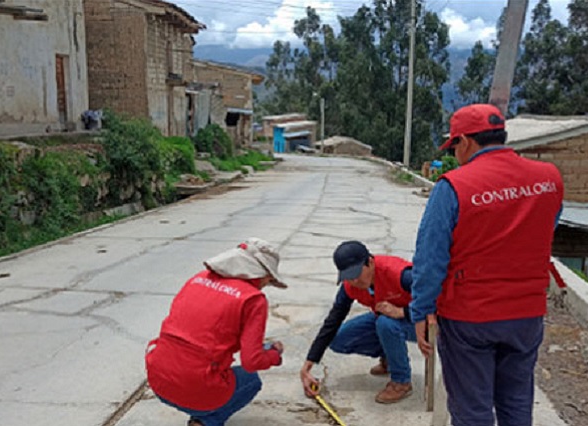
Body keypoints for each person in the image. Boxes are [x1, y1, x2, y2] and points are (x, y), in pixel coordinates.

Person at [410, 103, 564, 426]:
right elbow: (545, 230)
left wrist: (421, 310)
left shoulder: (453, 187)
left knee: (472, 411)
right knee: (517, 403)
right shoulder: (549, 179)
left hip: (470, 317)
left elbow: (430, 259)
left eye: (454, 147)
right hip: (527, 315)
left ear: (465, 142)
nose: (454, 155)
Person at [145, 238, 287, 426]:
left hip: (158, 381)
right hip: (196, 385)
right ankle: (205, 422)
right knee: (251, 381)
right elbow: (252, 362)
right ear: (261, 274)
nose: (264, 286)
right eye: (268, 281)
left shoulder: (198, 278)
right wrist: (274, 356)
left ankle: (202, 414)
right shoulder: (253, 299)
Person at [299, 240, 418, 404]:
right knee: (338, 339)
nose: (354, 281)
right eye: (348, 277)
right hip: (385, 319)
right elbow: (333, 321)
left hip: (421, 323)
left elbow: (438, 300)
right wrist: (309, 364)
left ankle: (401, 382)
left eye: (356, 274)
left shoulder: (401, 274)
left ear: (370, 262)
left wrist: (403, 312)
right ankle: (390, 358)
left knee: (385, 323)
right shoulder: (349, 286)